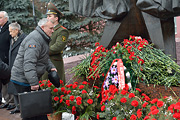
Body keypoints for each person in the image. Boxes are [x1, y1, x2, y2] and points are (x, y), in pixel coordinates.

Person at [10, 18, 56, 120]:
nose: (53, 31)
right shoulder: (34, 40)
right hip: (22, 79)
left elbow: (43, 57)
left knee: (37, 110)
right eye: (51, 28)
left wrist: (51, 68)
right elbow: (29, 63)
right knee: (32, 111)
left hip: (28, 77)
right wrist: (34, 83)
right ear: (43, 27)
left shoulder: (42, 38)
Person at [41, 2, 69, 83]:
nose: (47, 18)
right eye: (47, 16)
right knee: (44, 87)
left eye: (50, 16)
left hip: (54, 63)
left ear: (56, 18)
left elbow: (58, 46)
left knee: (55, 88)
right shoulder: (46, 29)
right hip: (44, 62)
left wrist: (44, 51)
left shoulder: (62, 31)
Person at [8, 22, 26, 114]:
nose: (10, 33)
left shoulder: (23, 38)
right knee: (14, 87)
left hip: (20, 67)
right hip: (13, 66)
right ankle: (17, 106)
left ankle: (22, 107)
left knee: (20, 89)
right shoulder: (13, 39)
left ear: (16, 30)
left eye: (11, 31)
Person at [0, 11, 14, 110]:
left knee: (8, 81)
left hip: (6, 59)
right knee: (2, 81)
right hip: (1, 59)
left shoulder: (9, 28)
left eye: (0, 17)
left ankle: (11, 101)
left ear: (6, 18)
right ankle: (5, 100)